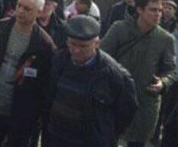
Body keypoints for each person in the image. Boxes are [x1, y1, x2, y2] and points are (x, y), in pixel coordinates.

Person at [0, 0, 56, 147]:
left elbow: (45, 85)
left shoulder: (45, 45)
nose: (20, 11)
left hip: (21, 112)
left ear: (39, 12)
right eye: (19, 5)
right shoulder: (0, 28)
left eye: (27, 9)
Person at [45, 15, 137, 147]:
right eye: (72, 44)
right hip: (57, 137)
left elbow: (126, 112)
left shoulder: (113, 74)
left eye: (83, 46)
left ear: (97, 44)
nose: (76, 50)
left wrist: (105, 133)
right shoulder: (60, 60)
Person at [101, 0, 176, 147]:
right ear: (140, 10)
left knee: (137, 141)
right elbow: (101, 57)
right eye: (153, 10)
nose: (158, 14)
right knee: (106, 138)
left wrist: (163, 83)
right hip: (115, 97)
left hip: (145, 101)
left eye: (160, 10)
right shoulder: (119, 29)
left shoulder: (165, 38)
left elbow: (171, 70)